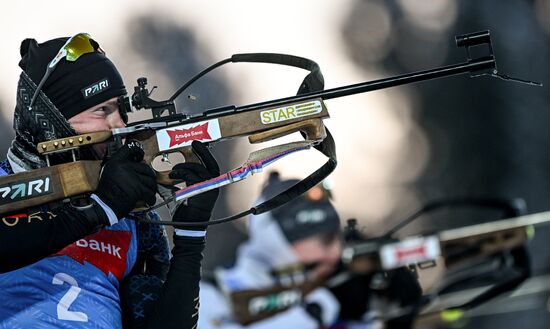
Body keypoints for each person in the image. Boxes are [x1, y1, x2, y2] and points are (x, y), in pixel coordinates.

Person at [0, 35, 219, 329]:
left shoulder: (132, 219)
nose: (120, 125)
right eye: (102, 111)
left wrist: (191, 239)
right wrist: (97, 212)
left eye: (120, 110)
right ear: (52, 121)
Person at [197, 173, 422, 329]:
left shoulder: (347, 290)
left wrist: (393, 316)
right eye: (318, 240)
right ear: (274, 241)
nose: (332, 252)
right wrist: (319, 309)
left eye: (334, 237)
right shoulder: (208, 297)